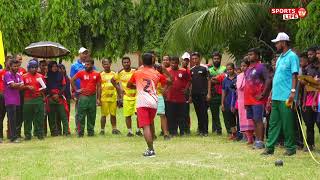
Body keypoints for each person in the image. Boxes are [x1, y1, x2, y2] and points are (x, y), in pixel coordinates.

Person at [262, 32, 299, 156]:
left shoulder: (292, 56)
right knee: (273, 123)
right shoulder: (279, 58)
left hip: (286, 96)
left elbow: (295, 75)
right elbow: (277, 76)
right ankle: (270, 147)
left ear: (283, 42)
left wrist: (293, 92)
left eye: (277, 42)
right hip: (276, 96)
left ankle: (290, 148)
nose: (276, 45)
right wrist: (272, 93)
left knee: (287, 123)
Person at [127, 53, 169, 157]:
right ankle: (151, 146)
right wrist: (164, 90)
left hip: (142, 102)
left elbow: (128, 85)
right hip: (154, 101)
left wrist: (137, 86)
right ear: (153, 61)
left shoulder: (137, 73)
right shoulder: (156, 73)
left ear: (142, 61)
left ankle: (151, 150)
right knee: (149, 124)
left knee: (146, 127)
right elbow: (169, 81)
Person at [244, 48, 272, 149]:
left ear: (257, 56)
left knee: (258, 119)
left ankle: (260, 141)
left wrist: (263, 94)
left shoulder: (261, 67)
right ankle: (257, 140)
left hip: (257, 100)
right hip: (248, 100)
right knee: (254, 120)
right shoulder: (248, 68)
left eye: (251, 54)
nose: (249, 56)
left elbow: (268, 79)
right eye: (248, 54)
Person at [111, 57, 142, 136]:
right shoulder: (120, 72)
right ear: (122, 64)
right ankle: (130, 132)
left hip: (137, 96)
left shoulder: (135, 71)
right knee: (127, 115)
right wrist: (119, 89)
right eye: (124, 62)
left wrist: (137, 86)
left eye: (127, 62)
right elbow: (112, 80)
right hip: (127, 97)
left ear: (130, 63)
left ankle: (138, 131)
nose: (126, 64)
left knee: (138, 114)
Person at [71, 59, 101, 137]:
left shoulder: (97, 74)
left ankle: (90, 132)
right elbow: (72, 80)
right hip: (83, 97)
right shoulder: (81, 72)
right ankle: (80, 133)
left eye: (88, 64)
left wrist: (98, 99)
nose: (86, 66)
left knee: (92, 115)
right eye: (85, 64)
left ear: (92, 65)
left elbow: (99, 87)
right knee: (81, 115)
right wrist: (76, 90)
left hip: (92, 97)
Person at [301, 48, 320, 151]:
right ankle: (310, 144)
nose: (310, 56)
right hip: (308, 99)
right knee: (309, 123)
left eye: (312, 54)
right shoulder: (307, 68)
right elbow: (305, 86)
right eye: (308, 54)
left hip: (318, 99)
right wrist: (303, 101)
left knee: (319, 122)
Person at [22, 59, 46, 140]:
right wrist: (27, 87)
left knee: (39, 118)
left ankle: (40, 134)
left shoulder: (40, 76)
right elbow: (20, 88)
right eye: (32, 67)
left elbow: (44, 87)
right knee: (27, 118)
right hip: (28, 100)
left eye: (35, 67)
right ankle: (27, 135)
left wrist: (42, 90)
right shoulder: (24, 76)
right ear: (28, 68)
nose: (34, 69)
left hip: (38, 99)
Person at [166, 57, 190, 136]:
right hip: (170, 98)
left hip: (181, 98)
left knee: (181, 116)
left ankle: (182, 131)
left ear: (178, 63)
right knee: (171, 116)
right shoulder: (167, 71)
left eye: (175, 63)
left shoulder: (183, 71)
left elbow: (189, 80)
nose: (173, 64)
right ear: (170, 63)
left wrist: (186, 89)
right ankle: (173, 132)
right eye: (172, 63)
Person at [190, 52, 211, 136]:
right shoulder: (191, 70)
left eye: (196, 58)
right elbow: (191, 83)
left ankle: (205, 131)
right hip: (195, 94)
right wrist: (190, 95)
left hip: (203, 94)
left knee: (204, 112)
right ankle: (200, 130)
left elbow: (209, 80)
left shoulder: (204, 68)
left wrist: (208, 93)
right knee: (198, 112)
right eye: (193, 59)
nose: (195, 60)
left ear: (200, 58)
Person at [46, 61, 70, 136]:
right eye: (53, 66)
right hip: (50, 97)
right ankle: (54, 132)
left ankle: (66, 132)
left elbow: (64, 85)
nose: (55, 68)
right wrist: (52, 95)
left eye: (56, 66)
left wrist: (58, 94)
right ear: (50, 67)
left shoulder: (61, 75)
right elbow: (46, 86)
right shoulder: (47, 76)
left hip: (60, 97)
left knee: (64, 115)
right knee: (51, 116)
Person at [70, 47, 90, 134]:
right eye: (83, 53)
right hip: (79, 92)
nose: (85, 55)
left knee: (89, 111)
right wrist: (75, 91)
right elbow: (72, 79)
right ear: (79, 54)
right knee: (79, 111)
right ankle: (78, 128)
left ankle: (89, 129)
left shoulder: (90, 64)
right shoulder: (74, 66)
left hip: (89, 92)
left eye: (86, 53)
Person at [3, 59, 24, 143]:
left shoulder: (18, 75)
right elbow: (12, 85)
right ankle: (13, 138)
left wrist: (17, 85)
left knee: (16, 119)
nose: (16, 68)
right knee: (12, 119)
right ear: (10, 66)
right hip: (10, 100)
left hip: (17, 99)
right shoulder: (7, 74)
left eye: (17, 66)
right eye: (14, 66)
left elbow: (21, 86)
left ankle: (16, 136)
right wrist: (17, 85)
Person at [99, 59, 120, 135]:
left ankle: (114, 129)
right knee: (103, 115)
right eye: (104, 64)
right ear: (102, 65)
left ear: (110, 64)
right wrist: (98, 99)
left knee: (113, 114)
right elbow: (98, 87)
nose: (106, 65)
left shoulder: (114, 74)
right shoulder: (100, 74)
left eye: (107, 64)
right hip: (104, 98)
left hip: (113, 98)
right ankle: (102, 130)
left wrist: (119, 97)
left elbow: (117, 85)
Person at [237, 60, 255, 144]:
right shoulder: (239, 76)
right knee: (243, 118)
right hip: (241, 100)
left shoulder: (251, 75)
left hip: (249, 99)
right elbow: (238, 87)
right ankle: (248, 138)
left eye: (244, 66)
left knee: (250, 118)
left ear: (248, 66)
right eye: (242, 66)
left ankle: (252, 137)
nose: (243, 68)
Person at [208, 52, 226, 135]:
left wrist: (215, 79)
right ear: (212, 59)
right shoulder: (209, 70)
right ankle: (218, 130)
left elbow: (225, 79)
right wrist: (219, 78)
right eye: (214, 59)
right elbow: (209, 80)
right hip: (213, 94)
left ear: (220, 59)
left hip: (224, 94)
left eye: (217, 59)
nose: (216, 60)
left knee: (225, 113)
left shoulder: (225, 68)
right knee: (214, 114)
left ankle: (229, 130)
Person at [154, 63, 171, 140]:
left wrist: (165, 90)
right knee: (151, 116)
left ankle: (165, 134)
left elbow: (170, 81)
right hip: (151, 97)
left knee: (162, 115)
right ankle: (152, 133)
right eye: (156, 68)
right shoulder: (150, 76)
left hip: (159, 97)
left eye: (159, 68)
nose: (157, 70)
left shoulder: (161, 76)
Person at [221, 63, 237, 139]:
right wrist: (222, 103)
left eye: (230, 69)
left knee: (237, 118)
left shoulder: (238, 78)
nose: (229, 71)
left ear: (234, 69)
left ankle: (241, 133)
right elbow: (223, 92)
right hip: (228, 102)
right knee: (230, 118)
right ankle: (233, 134)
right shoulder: (225, 80)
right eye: (227, 70)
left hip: (236, 102)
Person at [57, 64, 72, 135]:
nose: (62, 70)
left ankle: (66, 129)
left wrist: (68, 99)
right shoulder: (56, 78)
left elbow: (67, 90)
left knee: (66, 115)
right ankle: (58, 130)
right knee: (58, 115)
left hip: (66, 99)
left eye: (63, 68)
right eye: (60, 69)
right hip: (59, 98)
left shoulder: (67, 78)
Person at [15, 54, 26, 138]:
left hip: (22, 95)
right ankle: (11, 133)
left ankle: (18, 133)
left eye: (21, 59)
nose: (20, 61)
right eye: (19, 59)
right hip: (13, 95)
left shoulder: (23, 70)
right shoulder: (11, 71)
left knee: (21, 114)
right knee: (13, 115)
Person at [181, 52, 191, 134]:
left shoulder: (189, 71)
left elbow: (190, 82)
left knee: (186, 112)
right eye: (185, 60)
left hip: (186, 94)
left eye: (187, 60)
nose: (186, 62)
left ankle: (187, 128)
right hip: (178, 94)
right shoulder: (179, 69)